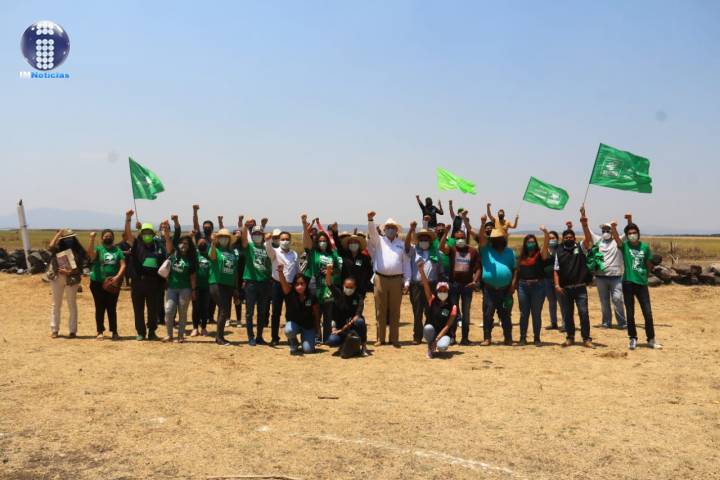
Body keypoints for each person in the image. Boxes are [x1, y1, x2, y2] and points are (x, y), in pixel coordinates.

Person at [612, 220, 662, 350]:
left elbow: (649, 263)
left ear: (638, 233)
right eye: (629, 233)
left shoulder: (645, 247)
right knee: (630, 313)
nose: (632, 235)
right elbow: (617, 239)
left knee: (648, 312)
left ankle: (651, 339)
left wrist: (645, 275)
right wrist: (613, 227)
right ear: (627, 235)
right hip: (628, 283)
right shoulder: (625, 246)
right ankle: (632, 338)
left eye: (634, 232)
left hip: (642, 284)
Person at [367, 211, 410, 348]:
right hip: (380, 278)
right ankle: (380, 338)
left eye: (393, 227)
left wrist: (407, 281)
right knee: (380, 309)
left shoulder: (401, 244)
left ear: (397, 230)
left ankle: (394, 338)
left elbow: (406, 264)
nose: (390, 229)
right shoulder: (379, 241)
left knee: (395, 310)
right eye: (388, 227)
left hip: (397, 280)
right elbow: (372, 233)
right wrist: (370, 220)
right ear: (384, 230)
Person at [579, 205, 626, 329]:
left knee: (617, 299)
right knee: (604, 301)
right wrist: (583, 215)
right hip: (600, 277)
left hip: (616, 277)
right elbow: (587, 231)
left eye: (607, 230)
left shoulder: (618, 240)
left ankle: (622, 323)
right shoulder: (598, 241)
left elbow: (627, 233)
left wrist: (626, 221)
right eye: (603, 230)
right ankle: (606, 322)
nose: (605, 232)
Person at [123, 210, 166, 341]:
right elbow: (128, 234)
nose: (147, 235)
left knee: (152, 309)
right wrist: (128, 218)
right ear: (141, 234)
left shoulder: (158, 246)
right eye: (145, 232)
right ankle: (141, 332)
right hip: (138, 282)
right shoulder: (136, 244)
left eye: (149, 233)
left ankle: (152, 331)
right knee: (138, 309)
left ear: (153, 234)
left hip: (153, 283)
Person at [302, 214, 342, 344]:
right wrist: (304, 224)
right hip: (316, 286)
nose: (322, 242)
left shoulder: (332, 253)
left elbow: (338, 269)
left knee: (328, 314)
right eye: (320, 241)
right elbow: (306, 242)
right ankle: (316, 336)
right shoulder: (313, 253)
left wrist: (331, 271)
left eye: (324, 240)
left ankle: (327, 338)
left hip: (328, 286)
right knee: (316, 313)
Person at [553, 219, 594, 348]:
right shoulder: (559, 252)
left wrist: (584, 225)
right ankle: (570, 337)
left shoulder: (580, 247)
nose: (569, 239)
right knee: (568, 314)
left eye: (571, 237)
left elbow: (588, 238)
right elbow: (556, 270)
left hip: (580, 288)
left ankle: (586, 339)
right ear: (563, 239)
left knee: (583, 313)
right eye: (566, 237)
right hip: (565, 289)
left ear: (574, 238)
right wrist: (557, 285)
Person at [478, 216, 517, 346]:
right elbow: (481, 238)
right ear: (491, 240)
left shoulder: (510, 252)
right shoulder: (485, 250)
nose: (498, 240)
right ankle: (487, 338)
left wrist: (513, 285)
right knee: (487, 314)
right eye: (495, 239)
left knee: (505, 315)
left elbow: (515, 270)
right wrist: (483, 224)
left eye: (500, 238)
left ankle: (508, 338)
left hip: (506, 290)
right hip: (489, 289)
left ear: (504, 239)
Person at [439, 226, 480, 345]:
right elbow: (441, 248)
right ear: (454, 239)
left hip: (467, 286)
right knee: (454, 311)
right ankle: (452, 337)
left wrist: (475, 281)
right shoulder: (452, 250)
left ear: (466, 238)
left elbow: (478, 268)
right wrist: (445, 233)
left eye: (462, 238)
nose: (460, 240)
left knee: (466, 313)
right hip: (454, 285)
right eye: (457, 238)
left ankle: (465, 338)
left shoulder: (472, 251)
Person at [405, 222, 442, 344]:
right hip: (417, 286)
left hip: (432, 285)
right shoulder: (414, 250)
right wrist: (411, 230)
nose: (424, 241)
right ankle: (417, 336)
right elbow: (406, 246)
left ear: (430, 241)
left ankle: (429, 334)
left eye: (426, 239)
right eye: (421, 240)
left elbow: (440, 270)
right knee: (417, 312)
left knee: (430, 311)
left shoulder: (436, 252)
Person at [161, 221, 197, 343]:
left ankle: (180, 335)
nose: (183, 245)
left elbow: (192, 277)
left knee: (182, 312)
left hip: (185, 289)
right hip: (171, 287)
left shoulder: (191, 259)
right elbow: (168, 241)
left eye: (186, 243)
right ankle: (169, 335)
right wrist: (166, 231)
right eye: (181, 243)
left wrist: (193, 290)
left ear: (189, 246)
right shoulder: (173, 254)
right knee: (169, 310)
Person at [47, 229, 87, 338]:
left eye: (70, 238)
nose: (68, 240)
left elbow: (80, 267)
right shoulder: (57, 249)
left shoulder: (78, 251)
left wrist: (69, 272)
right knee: (56, 304)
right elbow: (50, 246)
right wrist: (59, 234)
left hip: (72, 279)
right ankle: (54, 329)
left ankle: (73, 331)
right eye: (66, 238)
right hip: (57, 278)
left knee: (72, 304)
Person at [87, 229, 126, 340]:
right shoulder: (99, 249)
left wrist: (117, 277)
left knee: (112, 308)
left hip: (113, 283)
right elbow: (90, 255)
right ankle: (100, 331)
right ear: (102, 238)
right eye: (106, 236)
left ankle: (114, 331)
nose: (108, 238)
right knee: (99, 307)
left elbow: (123, 264)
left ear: (113, 238)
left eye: (110, 236)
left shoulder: (117, 250)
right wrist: (92, 238)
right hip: (97, 283)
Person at [514, 228, 550, 346]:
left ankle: (537, 338)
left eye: (533, 242)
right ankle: (522, 338)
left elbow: (545, 247)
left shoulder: (540, 255)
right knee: (523, 314)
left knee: (536, 313)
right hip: (523, 287)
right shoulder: (521, 257)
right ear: (525, 243)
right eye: (529, 242)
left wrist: (546, 234)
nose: (531, 244)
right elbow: (517, 272)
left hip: (538, 287)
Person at [325, 264, 369, 357]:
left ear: (355, 287)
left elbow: (357, 316)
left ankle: (364, 347)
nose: (348, 289)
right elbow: (329, 284)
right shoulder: (339, 295)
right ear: (343, 286)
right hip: (340, 328)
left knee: (360, 321)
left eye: (351, 287)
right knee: (331, 340)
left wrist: (342, 329)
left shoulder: (358, 298)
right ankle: (344, 344)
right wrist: (328, 271)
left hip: (353, 328)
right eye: (346, 287)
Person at [240, 220, 272, 346]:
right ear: (252, 235)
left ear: (263, 235)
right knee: (249, 312)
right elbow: (243, 240)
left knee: (262, 312)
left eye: (260, 233)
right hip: (251, 283)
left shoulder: (266, 248)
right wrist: (245, 226)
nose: (257, 235)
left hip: (264, 283)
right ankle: (250, 337)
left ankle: (259, 336)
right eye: (255, 234)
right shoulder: (249, 246)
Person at [418, 260, 458, 359]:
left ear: (448, 291)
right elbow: (426, 286)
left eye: (445, 290)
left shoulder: (452, 307)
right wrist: (421, 271)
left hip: (444, 334)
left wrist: (437, 339)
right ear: (437, 291)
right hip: (432, 331)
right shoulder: (432, 300)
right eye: (440, 290)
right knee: (428, 328)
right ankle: (430, 347)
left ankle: (436, 345)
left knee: (442, 347)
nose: (442, 292)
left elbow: (447, 326)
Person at [266, 229, 299, 346]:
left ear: (290, 240)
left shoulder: (294, 254)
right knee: (276, 312)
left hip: (290, 286)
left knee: (291, 312)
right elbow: (268, 249)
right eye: (283, 239)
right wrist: (268, 240)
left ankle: (291, 336)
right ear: (279, 241)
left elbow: (297, 270)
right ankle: (274, 338)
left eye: (287, 239)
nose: (285, 241)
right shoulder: (275, 252)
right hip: (277, 285)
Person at [208, 228, 240, 346]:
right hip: (217, 283)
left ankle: (219, 336)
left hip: (229, 284)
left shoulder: (232, 252)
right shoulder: (215, 249)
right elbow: (212, 257)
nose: (224, 239)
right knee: (224, 310)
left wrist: (235, 288)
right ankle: (219, 337)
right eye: (221, 237)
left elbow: (234, 270)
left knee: (223, 310)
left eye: (226, 237)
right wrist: (212, 243)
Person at [279, 265, 319, 355]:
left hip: (308, 326)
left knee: (308, 350)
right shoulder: (290, 293)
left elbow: (316, 313)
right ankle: (294, 342)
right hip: (294, 325)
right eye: (297, 284)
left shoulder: (311, 296)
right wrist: (280, 272)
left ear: (306, 284)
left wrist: (317, 328)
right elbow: (283, 283)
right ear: (294, 285)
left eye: (302, 283)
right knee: (289, 330)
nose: (299, 286)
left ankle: (306, 338)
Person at [543, 230, 565, 331]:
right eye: (549, 238)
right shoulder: (545, 249)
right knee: (551, 302)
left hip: (558, 280)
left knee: (562, 302)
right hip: (547, 280)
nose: (551, 240)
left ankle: (565, 324)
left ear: (557, 239)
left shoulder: (560, 249)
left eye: (553, 238)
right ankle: (553, 323)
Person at [340, 233, 372, 297]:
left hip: (360, 289)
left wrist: (366, 284)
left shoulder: (365, 258)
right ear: (348, 245)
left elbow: (369, 272)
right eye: (351, 243)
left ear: (359, 244)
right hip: (348, 287)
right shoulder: (345, 257)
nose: (353, 244)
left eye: (355, 242)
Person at [191, 237, 212, 337]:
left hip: (207, 287)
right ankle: (195, 328)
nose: (202, 244)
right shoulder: (195, 255)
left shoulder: (209, 256)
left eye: (204, 243)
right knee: (196, 308)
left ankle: (203, 328)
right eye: (200, 242)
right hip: (196, 286)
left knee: (205, 308)